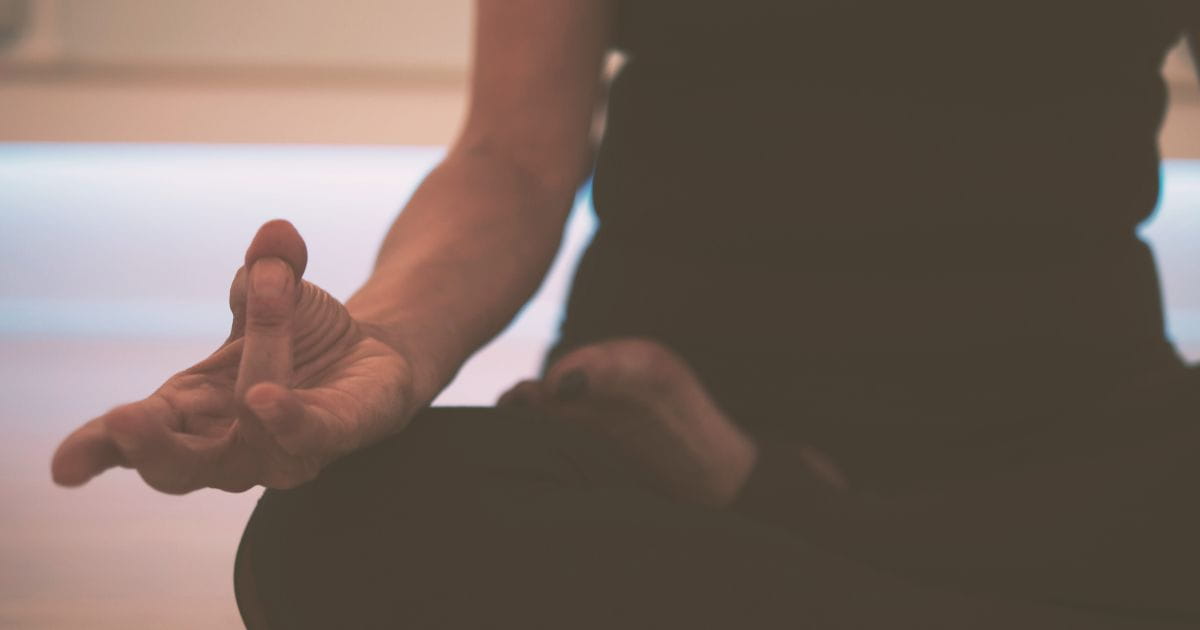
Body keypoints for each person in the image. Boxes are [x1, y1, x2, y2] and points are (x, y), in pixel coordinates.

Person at [52, 2, 1200, 628]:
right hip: (643, 436)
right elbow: (511, 154)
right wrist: (389, 345)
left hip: (1068, 441)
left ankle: (774, 504)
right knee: (343, 534)